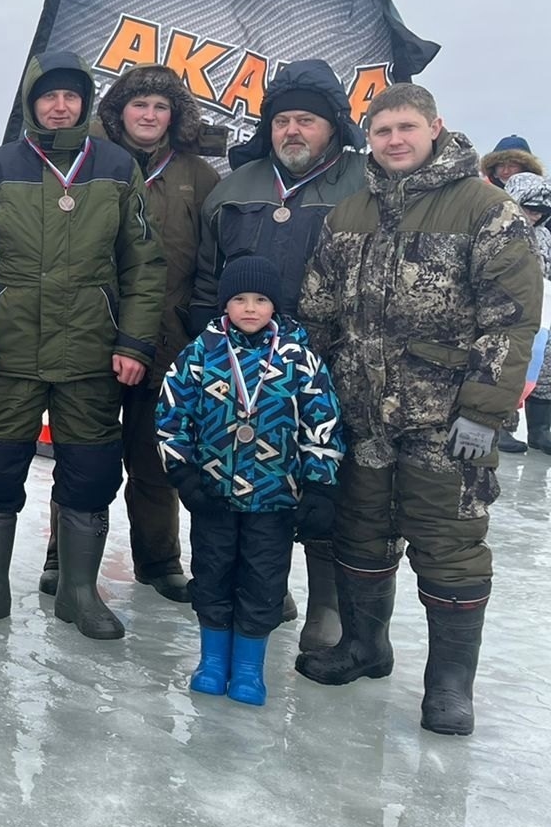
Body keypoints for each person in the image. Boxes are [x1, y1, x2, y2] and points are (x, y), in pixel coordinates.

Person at [297, 83, 541, 735]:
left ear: (436, 128)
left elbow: (511, 319)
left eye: (406, 127)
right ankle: (364, 645)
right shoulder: (350, 211)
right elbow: (318, 311)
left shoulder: (486, 210)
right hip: (360, 415)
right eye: (381, 131)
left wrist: (485, 410)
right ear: (368, 140)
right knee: (360, 533)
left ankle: (448, 688)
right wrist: (313, 398)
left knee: (450, 546)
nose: (394, 140)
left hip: (449, 420)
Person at [0, 51, 164, 636]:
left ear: (86, 103)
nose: (60, 106)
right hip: (8, 351)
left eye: (71, 96)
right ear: (31, 103)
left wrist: (135, 342)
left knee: (90, 472)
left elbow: (143, 264)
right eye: (48, 96)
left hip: (92, 352)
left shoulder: (116, 167)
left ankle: (78, 591)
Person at [190, 58, 367, 651]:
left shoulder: (364, 184)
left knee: (325, 483)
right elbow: (205, 278)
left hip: (335, 363)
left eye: (307, 121)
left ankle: (326, 606)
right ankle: (268, 590)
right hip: (247, 370)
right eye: (282, 119)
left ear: (335, 126)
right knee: (250, 477)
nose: (293, 130)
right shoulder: (234, 189)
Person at [33, 63, 219, 604]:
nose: (150, 115)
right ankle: (61, 556)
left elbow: (212, 256)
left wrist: (195, 323)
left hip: (167, 338)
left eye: (161, 107)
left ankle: (159, 560)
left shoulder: (198, 176)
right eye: (140, 105)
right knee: (81, 452)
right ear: (119, 111)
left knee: (155, 456)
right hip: (88, 332)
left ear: (174, 116)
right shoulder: (84, 165)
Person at [156, 256, 344, 706]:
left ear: (274, 306)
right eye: (239, 299)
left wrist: (319, 485)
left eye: (260, 300)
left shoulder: (299, 357)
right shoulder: (202, 351)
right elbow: (171, 414)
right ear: (225, 305)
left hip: (275, 498)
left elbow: (323, 420)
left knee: (263, 579)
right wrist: (184, 474)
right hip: (214, 496)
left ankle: (247, 669)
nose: (250, 308)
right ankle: (213, 661)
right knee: (212, 573)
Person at [498, 171, 551, 452]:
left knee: (542, 369)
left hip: (541, 313)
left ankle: (540, 429)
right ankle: (502, 425)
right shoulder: (501, 229)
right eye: (530, 209)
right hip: (506, 310)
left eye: (540, 212)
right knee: (508, 367)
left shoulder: (544, 236)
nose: (535, 216)